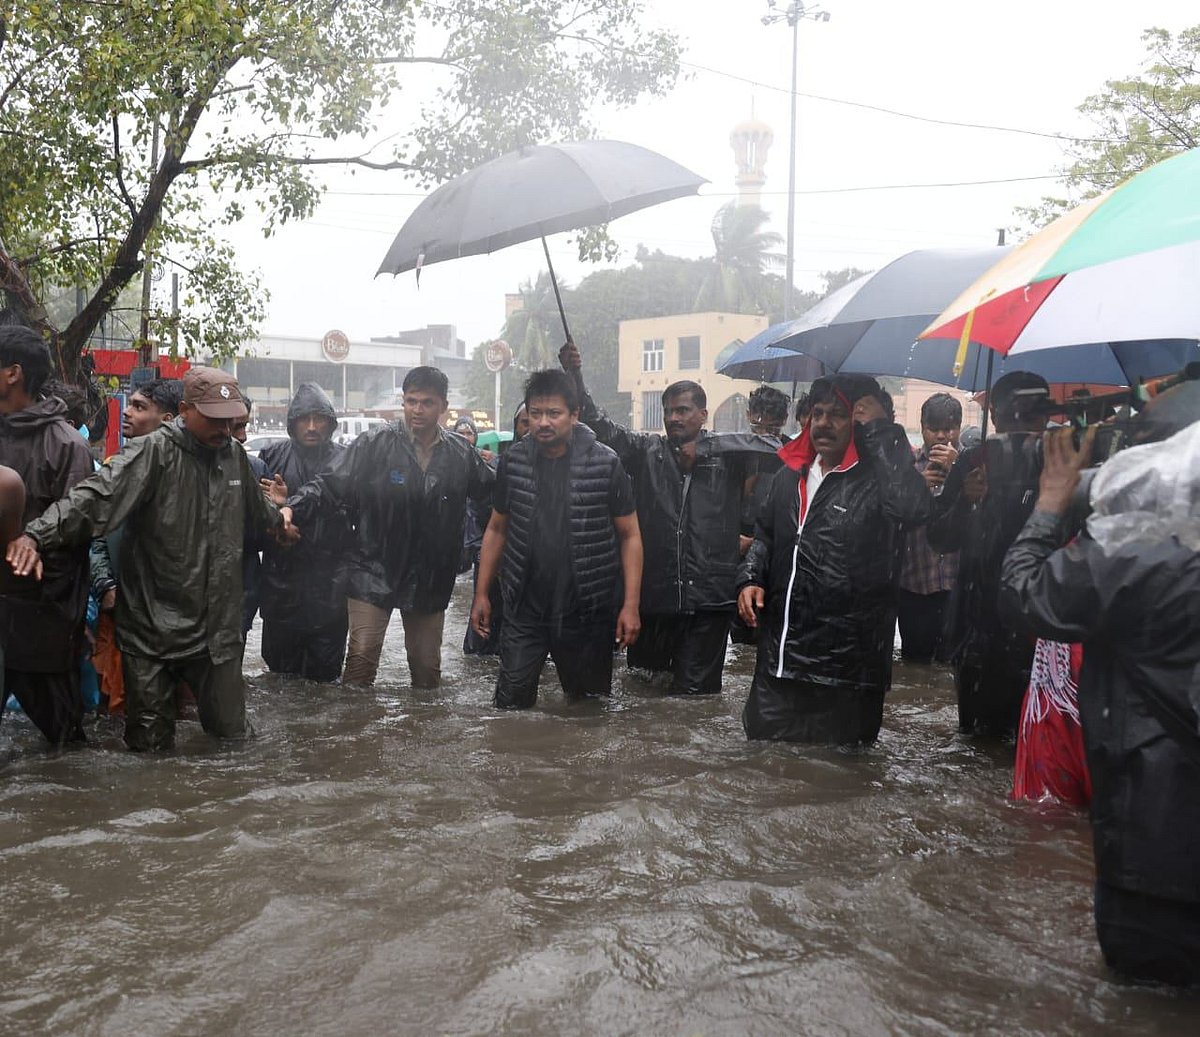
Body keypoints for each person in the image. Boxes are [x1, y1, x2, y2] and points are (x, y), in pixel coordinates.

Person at [999, 420, 1200, 987]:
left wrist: (1048, 506)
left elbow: (1021, 593)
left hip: (1152, 857)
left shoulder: (1131, 559)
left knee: (1146, 998)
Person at [6, 367, 285, 751]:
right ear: (185, 411)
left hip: (217, 633)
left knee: (234, 742)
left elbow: (259, 511)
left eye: (231, 419)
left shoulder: (233, 456)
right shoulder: (152, 453)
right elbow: (92, 499)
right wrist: (36, 535)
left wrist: (281, 523)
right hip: (152, 633)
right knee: (149, 750)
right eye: (215, 419)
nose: (225, 428)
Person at [561, 340, 778, 696]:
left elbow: (779, 449)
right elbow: (601, 428)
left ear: (704, 415)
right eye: (669, 411)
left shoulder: (731, 455)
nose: (674, 418)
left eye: (683, 410)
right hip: (655, 597)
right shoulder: (647, 452)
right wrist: (575, 375)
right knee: (645, 692)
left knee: (696, 700)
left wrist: (707, 447)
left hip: (709, 601)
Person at [737, 374, 932, 745]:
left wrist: (881, 429)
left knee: (842, 783)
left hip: (848, 674)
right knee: (763, 769)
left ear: (858, 422)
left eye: (839, 414)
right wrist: (749, 579)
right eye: (818, 413)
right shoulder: (787, 477)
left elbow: (914, 508)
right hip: (779, 663)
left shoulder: (881, 482)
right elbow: (765, 536)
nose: (824, 423)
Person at [280, 367, 493, 688]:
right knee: (360, 663)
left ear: (443, 407)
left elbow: (496, 497)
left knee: (427, 671)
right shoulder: (374, 443)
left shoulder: (461, 454)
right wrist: (290, 509)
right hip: (372, 568)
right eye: (410, 401)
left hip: (430, 577)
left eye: (426, 403)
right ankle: (357, 733)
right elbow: (328, 485)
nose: (417, 410)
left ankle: (422, 733)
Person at [471, 369, 643, 709]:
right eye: (536, 414)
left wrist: (631, 605)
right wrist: (481, 594)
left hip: (586, 608)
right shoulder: (514, 461)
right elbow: (496, 528)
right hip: (525, 605)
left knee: (588, 709)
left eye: (554, 413)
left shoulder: (605, 463)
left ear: (575, 414)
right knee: (511, 707)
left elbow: (630, 535)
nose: (543, 423)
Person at [927, 370, 1051, 736]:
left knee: (1038, 737)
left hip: (1040, 623)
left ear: (1046, 416)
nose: (1020, 426)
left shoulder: (1060, 461)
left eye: (1031, 415)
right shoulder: (973, 461)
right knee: (977, 738)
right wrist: (966, 501)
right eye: (1012, 414)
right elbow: (939, 539)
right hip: (978, 622)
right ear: (993, 415)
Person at [0, 325, 93, 747]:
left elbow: (76, 529)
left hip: (41, 622)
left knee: (66, 750)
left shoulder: (66, 446)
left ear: (12, 373)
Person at [89, 378, 184, 713]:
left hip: (175, 618)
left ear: (170, 419)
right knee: (118, 706)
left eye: (139, 407)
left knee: (178, 709)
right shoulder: (115, 468)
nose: (126, 413)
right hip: (120, 608)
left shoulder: (189, 475)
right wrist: (105, 586)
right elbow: (96, 534)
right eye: (129, 404)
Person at [256, 383, 350, 681]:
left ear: (330, 423)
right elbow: (255, 513)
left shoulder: (344, 459)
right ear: (292, 423)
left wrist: (288, 504)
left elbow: (351, 509)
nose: (311, 427)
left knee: (325, 680)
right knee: (280, 677)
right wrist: (276, 515)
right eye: (304, 419)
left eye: (319, 419)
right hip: (281, 584)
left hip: (330, 586)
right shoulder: (271, 457)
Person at [897, 392, 962, 662]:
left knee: (953, 662)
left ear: (958, 428)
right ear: (922, 427)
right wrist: (918, 487)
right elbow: (895, 516)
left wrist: (957, 470)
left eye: (948, 428)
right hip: (915, 585)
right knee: (915, 662)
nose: (940, 436)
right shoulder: (906, 468)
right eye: (933, 429)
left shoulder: (971, 466)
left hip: (958, 585)